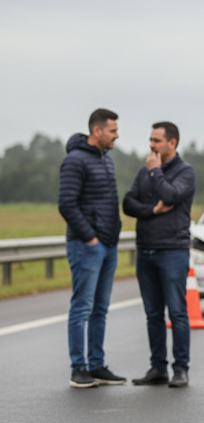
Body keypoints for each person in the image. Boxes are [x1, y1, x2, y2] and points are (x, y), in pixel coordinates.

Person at [123, 121, 196, 388]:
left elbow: (172, 194)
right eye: (150, 140)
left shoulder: (185, 172)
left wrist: (156, 173)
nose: (151, 145)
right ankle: (157, 368)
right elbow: (128, 203)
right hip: (146, 251)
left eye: (157, 140)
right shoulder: (144, 172)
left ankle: (181, 369)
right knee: (153, 314)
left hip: (172, 252)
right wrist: (152, 210)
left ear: (172, 143)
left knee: (177, 312)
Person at [58, 108, 126, 388]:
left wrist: (109, 239)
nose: (116, 135)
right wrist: (91, 239)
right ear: (96, 130)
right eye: (112, 130)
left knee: (100, 308)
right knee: (82, 307)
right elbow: (67, 204)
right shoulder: (75, 161)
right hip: (87, 246)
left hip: (108, 246)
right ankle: (79, 368)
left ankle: (96, 365)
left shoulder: (106, 160)